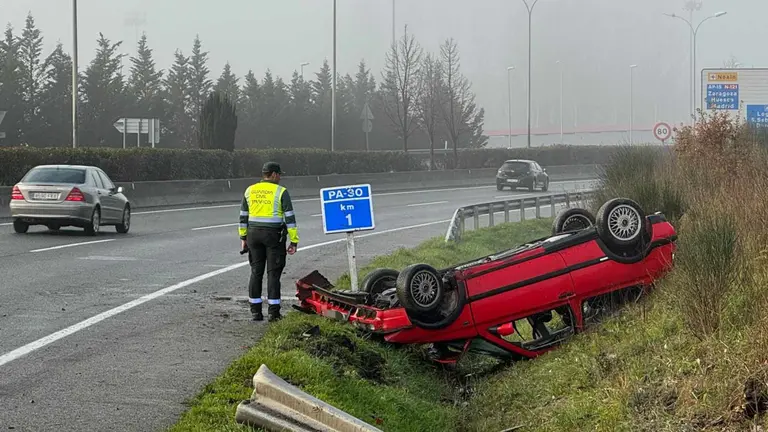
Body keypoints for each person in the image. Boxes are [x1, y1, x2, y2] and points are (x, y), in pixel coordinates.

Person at [238, 162, 299, 322]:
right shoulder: (281, 191)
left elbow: (243, 215)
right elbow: (290, 219)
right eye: (279, 174)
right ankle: (274, 313)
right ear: (273, 174)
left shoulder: (250, 190)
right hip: (273, 235)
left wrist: (243, 238)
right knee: (273, 274)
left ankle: (255, 312)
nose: (280, 177)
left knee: (256, 272)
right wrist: (294, 241)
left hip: (253, 235)